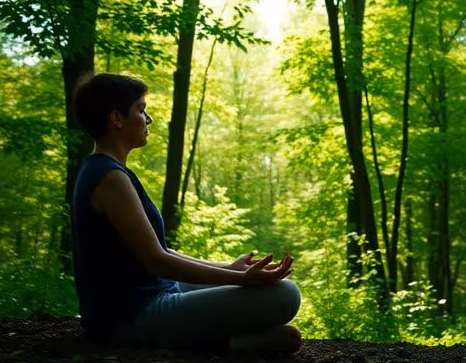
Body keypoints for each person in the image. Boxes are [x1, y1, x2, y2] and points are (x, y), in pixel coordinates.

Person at [71, 73, 301, 353]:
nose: (148, 119)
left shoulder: (105, 170)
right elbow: (157, 261)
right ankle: (221, 344)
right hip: (129, 317)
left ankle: (226, 340)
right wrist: (241, 279)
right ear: (116, 119)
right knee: (286, 295)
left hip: (148, 296)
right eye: (141, 110)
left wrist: (228, 267)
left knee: (275, 291)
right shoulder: (109, 178)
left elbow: (160, 251)